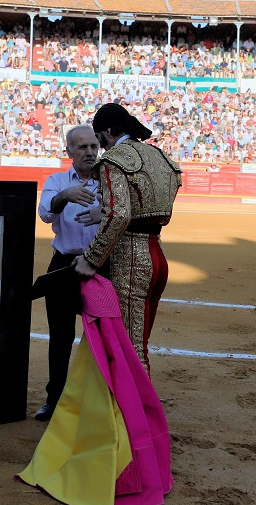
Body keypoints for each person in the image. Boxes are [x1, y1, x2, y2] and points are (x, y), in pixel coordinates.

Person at [74, 103, 182, 374]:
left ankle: (135, 413)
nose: (99, 145)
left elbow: (119, 216)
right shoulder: (160, 156)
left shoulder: (114, 159)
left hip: (131, 260)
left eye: (99, 136)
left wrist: (91, 259)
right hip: (158, 256)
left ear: (108, 132)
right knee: (141, 340)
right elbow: (158, 210)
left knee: (131, 348)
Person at [34, 125, 100, 421]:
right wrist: (65, 196)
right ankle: (55, 400)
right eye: (82, 147)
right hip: (63, 265)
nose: (89, 152)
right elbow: (46, 212)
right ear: (69, 151)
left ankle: (98, 402)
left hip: (100, 266)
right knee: (60, 338)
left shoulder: (108, 181)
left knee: (101, 338)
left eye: (93, 146)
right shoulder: (57, 180)